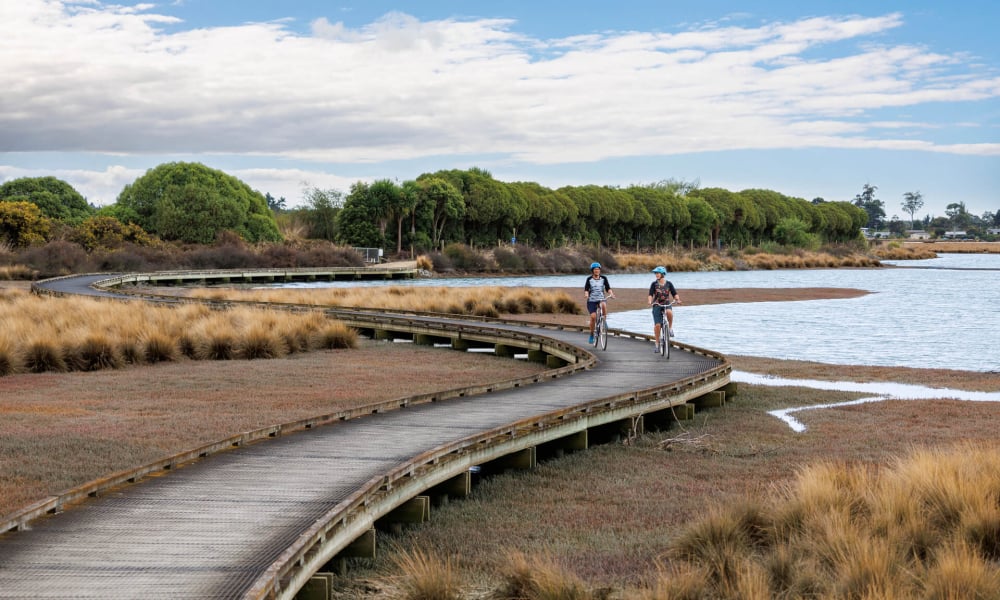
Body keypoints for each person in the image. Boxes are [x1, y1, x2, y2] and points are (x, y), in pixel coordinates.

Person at [648, 266, 681, 352]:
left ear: (663, 274)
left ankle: (670, 329)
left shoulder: (669, 283)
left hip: (666, 303)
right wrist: (650, 301)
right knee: (657, 325)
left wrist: (677, 299)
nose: (656, 275)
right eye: (655, 273)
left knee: (669, 312)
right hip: (657, 304)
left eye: (658, 273)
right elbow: (650, 294)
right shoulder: (654, 284)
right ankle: (657, 344)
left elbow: (674, 293)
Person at [583, 262, 615, 344]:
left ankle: (604, 321)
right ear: (592, 271)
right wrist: (586, 295)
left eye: (598, 269)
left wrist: (611, 293)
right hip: (591, 300)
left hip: (601, 298)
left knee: (603, 304)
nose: (597, 271)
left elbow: (608, 288)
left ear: (600, 270)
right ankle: (591, 335)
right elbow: (586, 289)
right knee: (593, 317)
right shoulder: (589, 279)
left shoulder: (604, 278)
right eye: (595, 269)